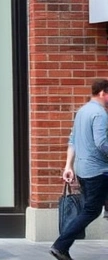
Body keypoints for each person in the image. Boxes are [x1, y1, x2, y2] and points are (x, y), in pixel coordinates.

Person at [50, 78, 108, 260]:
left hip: (83, 170)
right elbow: (102, 143)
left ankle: (61, 246)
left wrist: (68, 165)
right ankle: (60, 246)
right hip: (98, 171)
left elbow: (72, 140)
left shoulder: (82, 111)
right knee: (91, 210)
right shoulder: (100, 114)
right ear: (103, 93)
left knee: (91, 209)